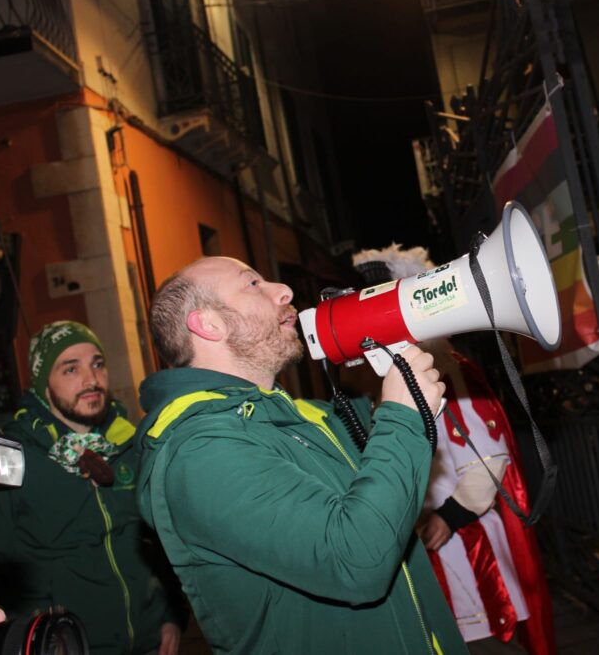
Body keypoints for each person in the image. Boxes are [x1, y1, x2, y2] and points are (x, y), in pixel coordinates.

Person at [135, 256, 467, 655]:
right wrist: (403, 419)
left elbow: (381, 515)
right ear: (208, 324)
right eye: (253, 284)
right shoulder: (199, 454)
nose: (284, 291)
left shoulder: (306, 415)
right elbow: (356, 559)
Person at [351, 246, 556, 655]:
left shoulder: (451, 369)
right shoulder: (368, 381)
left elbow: (490, 459)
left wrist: (449, 515)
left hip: (464, 542)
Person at [0, 321, 186, 655]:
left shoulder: (131, 443)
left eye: (97, 364)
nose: (91, 380)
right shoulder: (9, 458)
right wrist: (31, 639)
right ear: (42, 384)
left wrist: (172, 614)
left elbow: (163, 541)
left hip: (151, 644)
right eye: (70, 369)